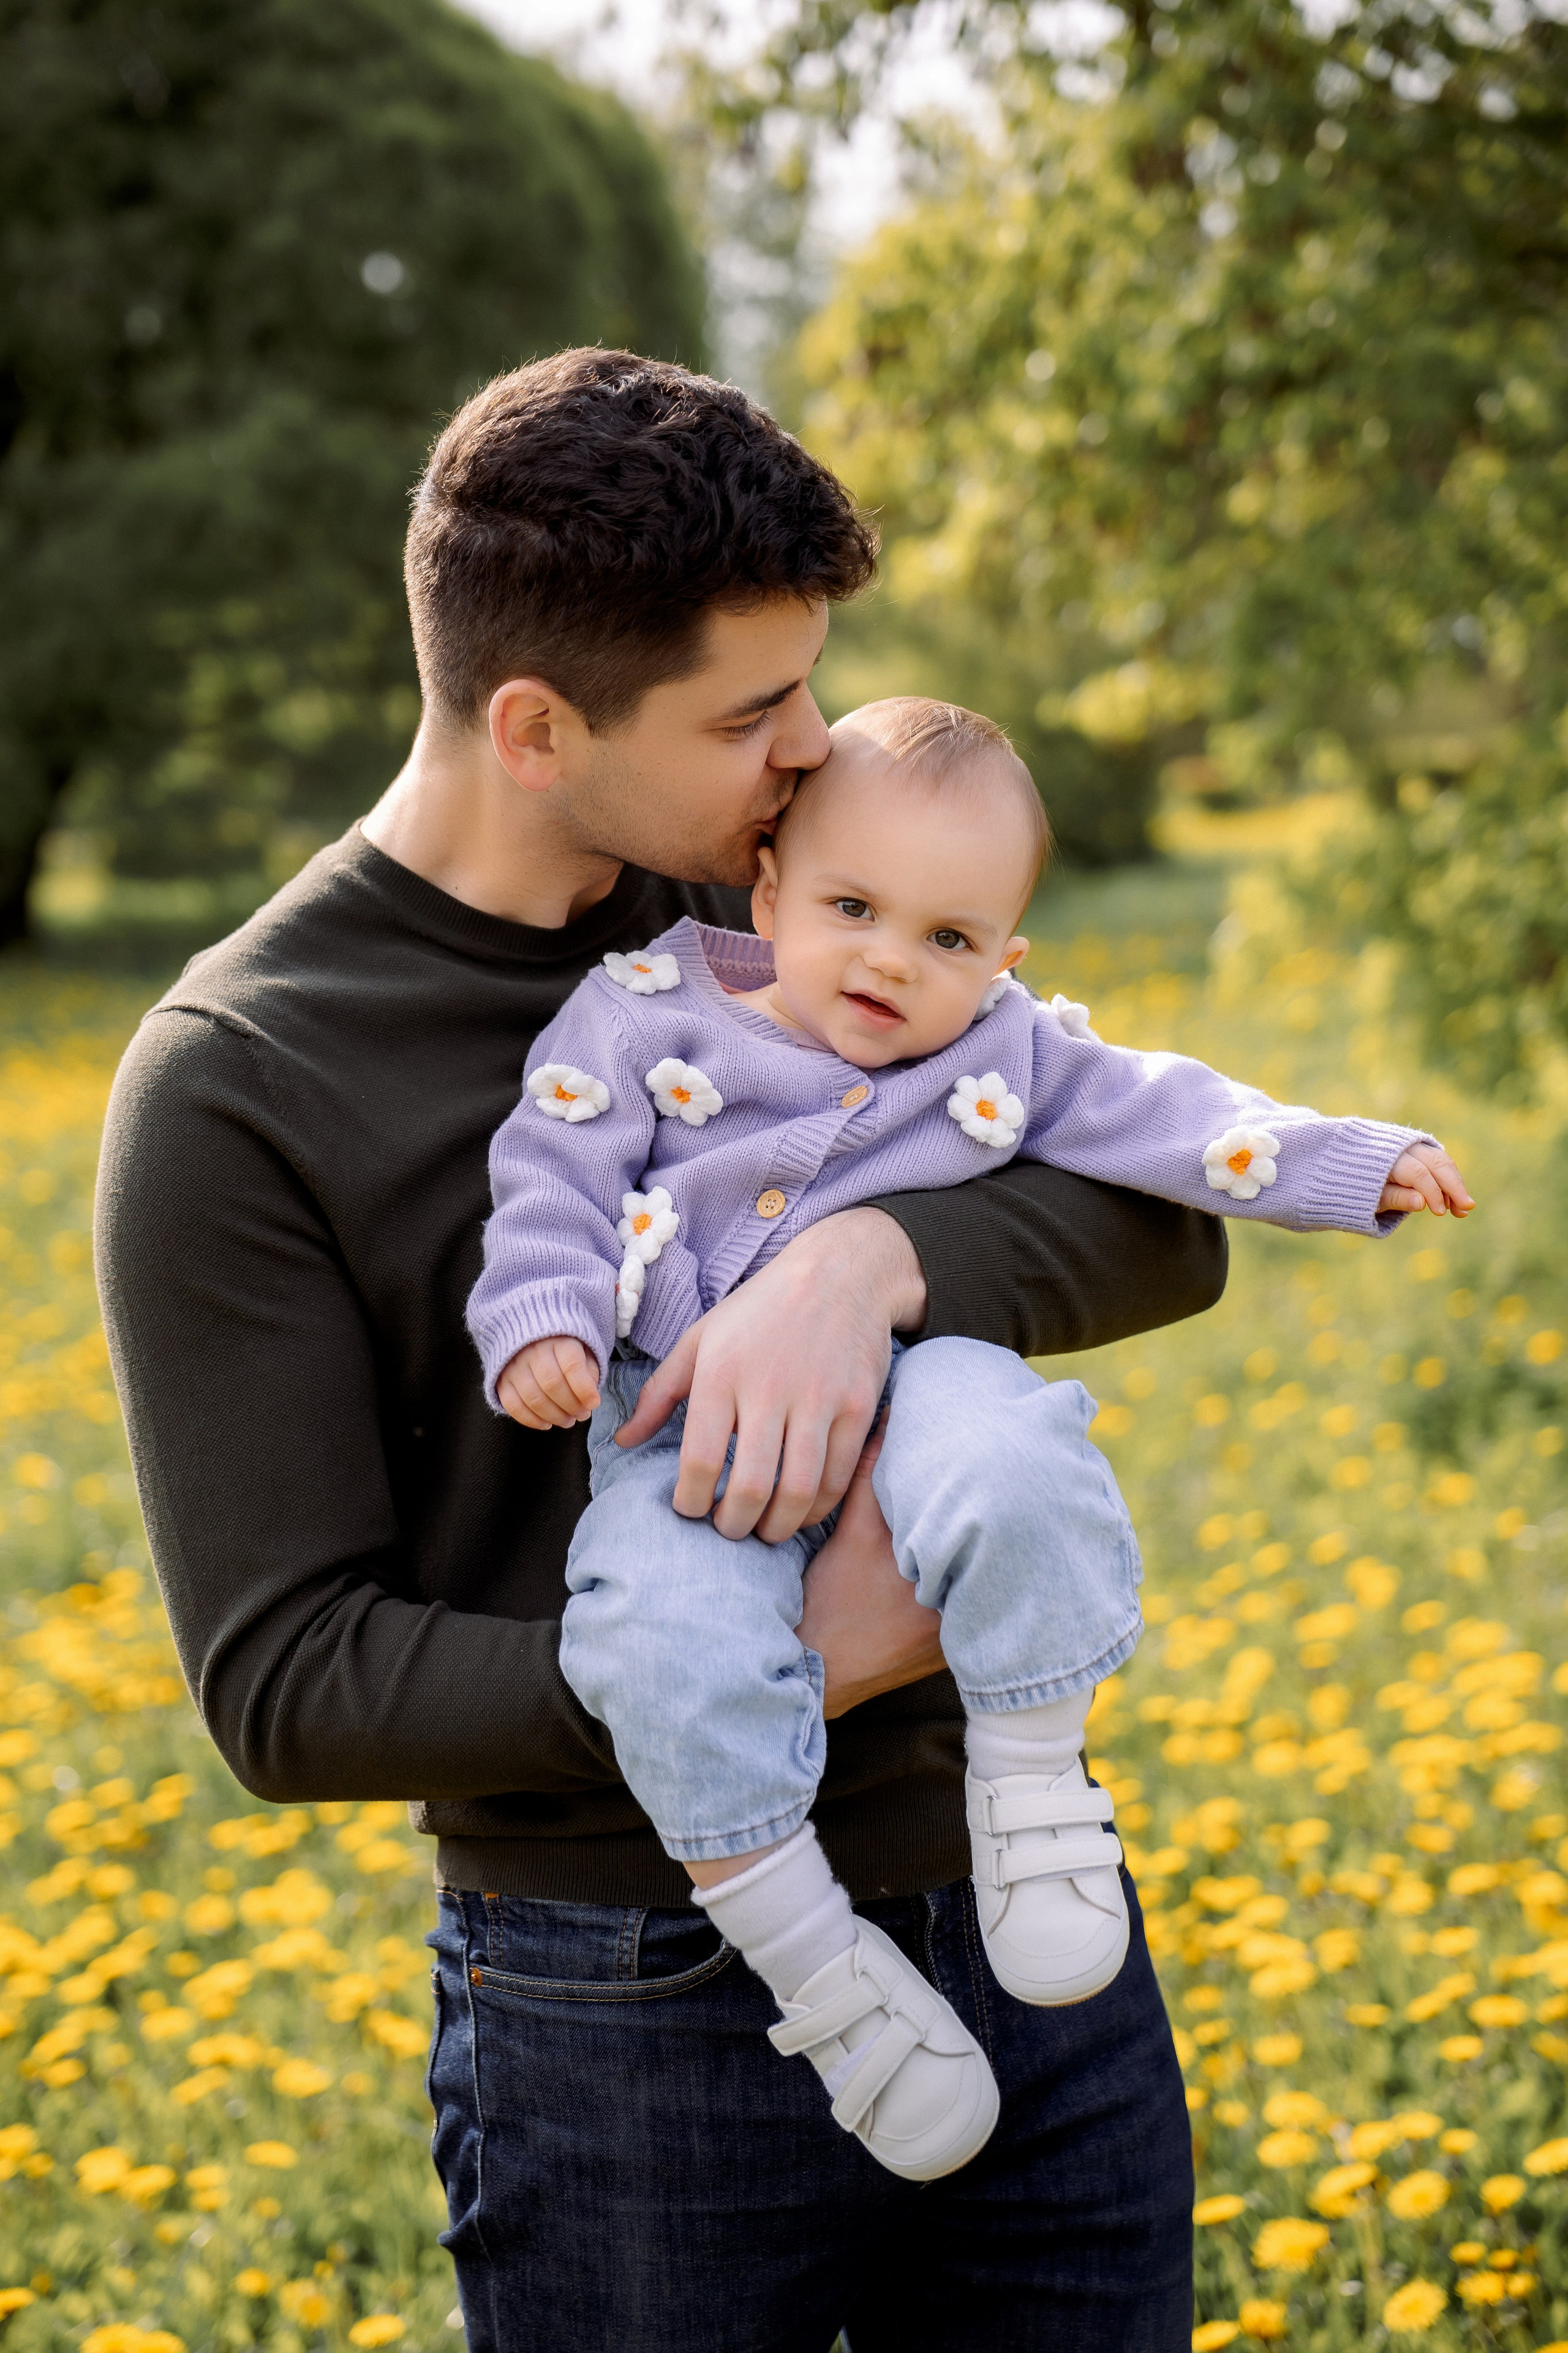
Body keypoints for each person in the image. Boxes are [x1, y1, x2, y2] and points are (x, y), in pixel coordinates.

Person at [97, 350, 1234, 2351]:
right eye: (748, 713)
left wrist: (868, 1259)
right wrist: (780, 1671)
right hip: (626, 2014)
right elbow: (287, 1681)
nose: (810, 751)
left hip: (1017, 1899)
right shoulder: (241, 1080)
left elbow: (1163, 1210)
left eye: (810, 689)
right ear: (538, 728)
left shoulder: (795, 896)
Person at [469, 693, 1472, 2184]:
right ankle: (816, 1967)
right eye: (852, 909)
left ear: (1005, 961)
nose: (890, 959)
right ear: (766, 892)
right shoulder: (638, 1012)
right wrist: (542, 1319)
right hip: (681, 1437)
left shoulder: (1003, 1047)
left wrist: (1348, 1161)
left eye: (946, 937)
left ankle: (1032, 1778)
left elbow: (1164, 1111)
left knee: (1015, 1453)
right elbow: (549, 1172)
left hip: (913, 1384)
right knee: (652, 1639)